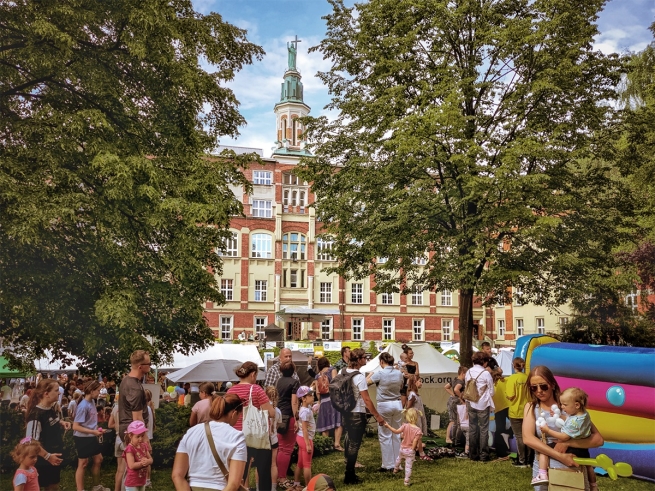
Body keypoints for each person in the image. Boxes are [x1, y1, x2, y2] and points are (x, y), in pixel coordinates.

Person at [522, 366, 604, 491]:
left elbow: (598, 440)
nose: (539, 391)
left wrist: (567, 442)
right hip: (544, 472)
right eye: (534, 388)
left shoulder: (568, 405)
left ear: (553, 385)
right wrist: (560, 456)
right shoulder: (531, 407)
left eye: (543, 386)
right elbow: (528, 438)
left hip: (573, 471)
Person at [172, 394, 248, 491]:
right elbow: (233, 484)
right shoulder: (237, 437)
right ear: (233, 413)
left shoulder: (191, 432)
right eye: (239, 415)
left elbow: (177, 475)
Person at [227, 362, 276, 491]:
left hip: (237, 437)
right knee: (264, 471)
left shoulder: (230, 391)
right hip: (257, 437)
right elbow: (271, 413)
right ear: (253, 374)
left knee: (239, 473)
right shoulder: (256, 389)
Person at [536, 388, 597, 489]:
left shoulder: (574, 422)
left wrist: (548, 430)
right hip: (583, 448)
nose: (562, 407)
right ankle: (593, 485)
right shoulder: (583, 415)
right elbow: (571, 420)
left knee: (543, 450)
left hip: (572, 448)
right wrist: (560, 416)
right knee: (588, 465)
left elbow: (564, 436)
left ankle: (542, 474)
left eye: (565, 404)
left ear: (577, 405)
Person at [341, 348, 386, 485]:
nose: (366, 360)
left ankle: (350, 472)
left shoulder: (342, 372)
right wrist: (377, 416)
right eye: (364, 357)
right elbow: (367, 399)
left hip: (345, 412)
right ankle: (349, 475)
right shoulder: (359, 376)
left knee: (349, 440)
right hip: (357, 413)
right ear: (359, 360)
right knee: (355, 444)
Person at [25, 378, 71, 491]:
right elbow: (31, 442)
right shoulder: (36, 415)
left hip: (53, 458)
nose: (59, 392)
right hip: (42, 461)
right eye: (56, 390)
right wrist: (48, 457)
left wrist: (61, 422)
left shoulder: (50, 408)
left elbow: (50, 421)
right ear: (46, 394)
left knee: (53, 486)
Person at [366, 351, 404, 471]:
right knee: (396, 434)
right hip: (397, 404)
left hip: (384, 404)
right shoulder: (399, 373)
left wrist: (370, 374)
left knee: (384, 435)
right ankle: (398, 463)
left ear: (382, 362)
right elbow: (401, 387)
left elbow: (365, 383)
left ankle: (387, 464)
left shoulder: (379, 373)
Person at [73, 380, 110, 491]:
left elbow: (90, 422)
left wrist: (97, 430)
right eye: (98, 390)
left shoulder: (92, 402)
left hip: (91, 436)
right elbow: (75, 426)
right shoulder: (83, 406)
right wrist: (94, 432)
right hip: (82, 438)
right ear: (91, 390)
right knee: (83, 463)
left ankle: (96, 486)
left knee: (98, 459)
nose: (99, 393)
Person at [464, 351, 495, 462]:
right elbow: (492, 391)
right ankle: (483, 455)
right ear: (484, 362)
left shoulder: (468, 372)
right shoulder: (486, 373)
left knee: (472, 428)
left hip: (470, 402)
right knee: (483, 430)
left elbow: (466, 386)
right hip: (483, 404)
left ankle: (473, 454)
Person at [275, 360, 299, 490]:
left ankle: (276, 474)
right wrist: (296, 419)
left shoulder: (278, 381)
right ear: (293, 370)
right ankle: (282, 477)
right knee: (286, 449)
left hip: (278, 415)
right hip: (288, 417)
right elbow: (294, 402)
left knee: (278, 447)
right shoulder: (294, 382)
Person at [384, 408, 423, 487]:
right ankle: (406, 481)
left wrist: (388, 426)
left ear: (407, 416)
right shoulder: (418, 430)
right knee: (408, 467)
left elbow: (396, 432)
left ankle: (395, 469)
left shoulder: (404, 426)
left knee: (399, 459)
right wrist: (413, 449)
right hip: (410, 451)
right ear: (416, 417)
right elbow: (415, 441)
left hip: (402, 449)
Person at [118, 351, 150, 443]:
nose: (150, 366)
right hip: (134, 434)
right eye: (148, 364)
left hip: (129, 432)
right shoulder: (135, 388)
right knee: (141, 458)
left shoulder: (126, 380)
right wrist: (145, 439)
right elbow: (137, 418)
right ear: (140, 367)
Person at [506, 357, 531, 468]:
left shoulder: (512, 379)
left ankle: (522, 460)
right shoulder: (528, 378)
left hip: (515, 411)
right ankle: (530, 460)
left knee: (519, 437)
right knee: (529, 435)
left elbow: (511, 396)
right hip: (528, 411)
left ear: (513, 365)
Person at [314, 357, 343, 451]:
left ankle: (325, 445)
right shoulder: (332, 370)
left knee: (325, 423)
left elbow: (317, 392)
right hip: (333, 400)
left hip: (323, 401)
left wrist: (320, 401)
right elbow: (335, 385)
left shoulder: (317, 376)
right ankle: (337, 444)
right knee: (338, 423)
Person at [294, 386, 317, 490]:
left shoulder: (304, 409)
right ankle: (309, 486)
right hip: (305, 439)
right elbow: (304, 429)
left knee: (300, 463)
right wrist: (308, 444)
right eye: (310, 395)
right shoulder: (305, 412)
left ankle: (297, 483)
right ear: (303, 398)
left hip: (300, 438)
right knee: (307, 464)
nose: (312, 397)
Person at [405, 375, 431, 460]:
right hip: (414, 419)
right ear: (414, 383)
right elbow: (408, 407)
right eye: (420, 381)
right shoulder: (412, 395)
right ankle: (419, 453)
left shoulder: (416, 394)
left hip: (418, 417)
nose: (421, 383)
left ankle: (419, 452)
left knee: (418, 437)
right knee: (416, 437)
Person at [123, 421, 153, 491]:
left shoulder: (144, 446)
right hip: (132, 482)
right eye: (138, 436)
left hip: (142, 480)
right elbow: (131, 465)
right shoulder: (129, 449)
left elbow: (151, 459)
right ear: (130, 436)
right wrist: (143, 463)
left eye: (142, 436)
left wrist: (148, 461)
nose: (140, 439)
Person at [265, 386, 282, 491]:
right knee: (273, 464)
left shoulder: (262, 409)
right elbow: (278, 425)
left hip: (263, 441)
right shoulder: (278, 411)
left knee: (260, 465)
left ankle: (259, 487)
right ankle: (273, 488)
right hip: (274, 440)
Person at [444, 366, 467, 445]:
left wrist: (452, 395)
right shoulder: (461, 382)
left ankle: (452, 439)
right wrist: (461, 396)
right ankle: (454, 439)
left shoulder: (454, 380)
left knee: (454, 421)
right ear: (462, 373)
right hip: (457, 402)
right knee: (455, 422)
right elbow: (456, 389)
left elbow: (446, 387)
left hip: (451, 401)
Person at [108, 403, 126, 491]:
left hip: (118, 438)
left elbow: (110, 425)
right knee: (126, 470)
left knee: (119, 469)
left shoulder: (116, 407)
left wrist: (118, 426)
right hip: (125, 439)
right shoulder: (129, 407)